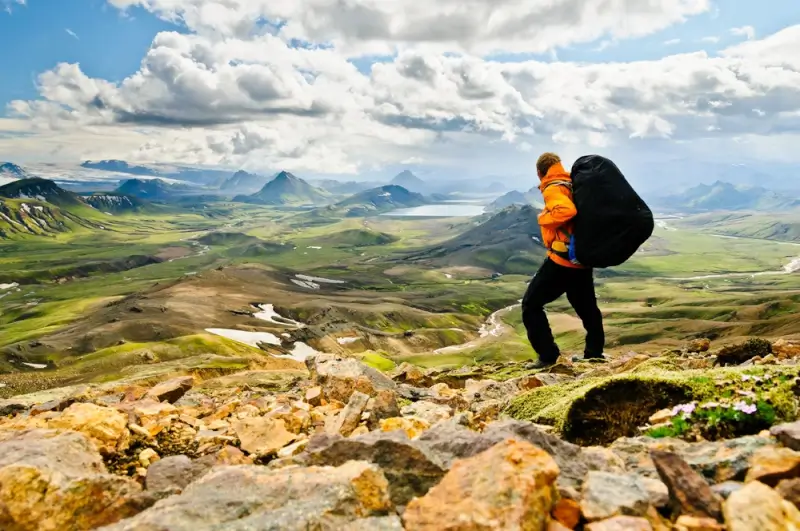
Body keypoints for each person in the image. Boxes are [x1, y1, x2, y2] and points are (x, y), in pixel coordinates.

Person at [522, 152, 605, 368]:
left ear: (540, 172)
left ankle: (547, 356)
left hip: (562, 261)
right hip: (581, 259)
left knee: (531, 305)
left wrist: (543, 218)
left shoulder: (553, 187)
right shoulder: (571, 183)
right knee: (588, 310)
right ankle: (594, 353)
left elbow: (566, 211)